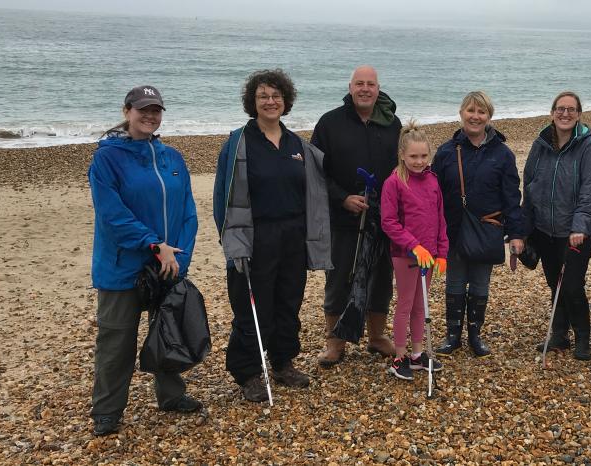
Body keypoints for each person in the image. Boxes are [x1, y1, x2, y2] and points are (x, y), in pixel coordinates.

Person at [213, 69, 331, 402]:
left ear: (286, 100)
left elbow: (318, 191)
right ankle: (248, 372)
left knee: (288, 302)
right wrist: (233, 242)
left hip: (293, 235)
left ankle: (282, 362)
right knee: (252, 306)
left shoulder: (297, 144)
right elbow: (223, 198)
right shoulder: (238, 142)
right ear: (252, 101)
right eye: (263, 95)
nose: (270, 101)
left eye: (276, 95)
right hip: (254, 236)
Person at [88, 85, 200, 436]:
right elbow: (112, 215)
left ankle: (171, 396)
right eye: (142, 110)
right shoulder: (107, 158)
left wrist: (179, 254)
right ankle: (106, 411)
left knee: (167, 332)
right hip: (122, 266)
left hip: (168, 264)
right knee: (116, 343)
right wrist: (154, 244)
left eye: (156, 110)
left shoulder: (173, 157)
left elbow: (188, 212)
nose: (149, 116)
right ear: (127, 112)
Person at [312, 65, 401, 367]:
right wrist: (342, 198)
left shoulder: (392, 123)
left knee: (380, 279)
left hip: (383, 218)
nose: (365, 89)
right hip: (343, 218)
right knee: (338, 279)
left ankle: (377, 337)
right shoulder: (330, 123)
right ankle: (334, 342)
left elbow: (403, 170)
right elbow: (315, 172)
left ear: (378, 89)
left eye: (371, 84)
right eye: (359, 84)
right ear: (350, 87)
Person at [431, 91, 526, 357]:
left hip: (487, 228)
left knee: (481, 283)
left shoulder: (503, 154)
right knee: (455, 282)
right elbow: (433, 193)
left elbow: (511, 196)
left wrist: (516, 234)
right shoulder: (447, 151)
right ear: (461, 113)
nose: (475, 116)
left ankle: (475, 334)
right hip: (452, 228)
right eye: (470, 111)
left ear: (489, 116)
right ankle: (452, 336)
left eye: (481, 112)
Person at [523, 92, 591, 361]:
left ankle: (583, 337)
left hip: (577, 231)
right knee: (553, 283)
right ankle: (559, 335)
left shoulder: (589, 146)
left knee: (571, 284)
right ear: (552, 113)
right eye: (560, 109)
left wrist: (579, 225)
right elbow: (530, 183)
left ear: (579, 114)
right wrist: (525, 227)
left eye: (571, 109)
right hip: (545, 228)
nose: (565, 114)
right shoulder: (541, 143)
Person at [380, 121, 449, 379]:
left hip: (429, 255)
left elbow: (440, 218)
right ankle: (399, 357)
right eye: (413, 156)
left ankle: (418, 354)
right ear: (402, 155)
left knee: (422, 305)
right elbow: (389, 222)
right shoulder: (394, 182)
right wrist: (413, 246)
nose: (419, 161)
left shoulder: (432, 180)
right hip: (405, 254)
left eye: (423, 156)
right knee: (406, 305)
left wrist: (442, 252)